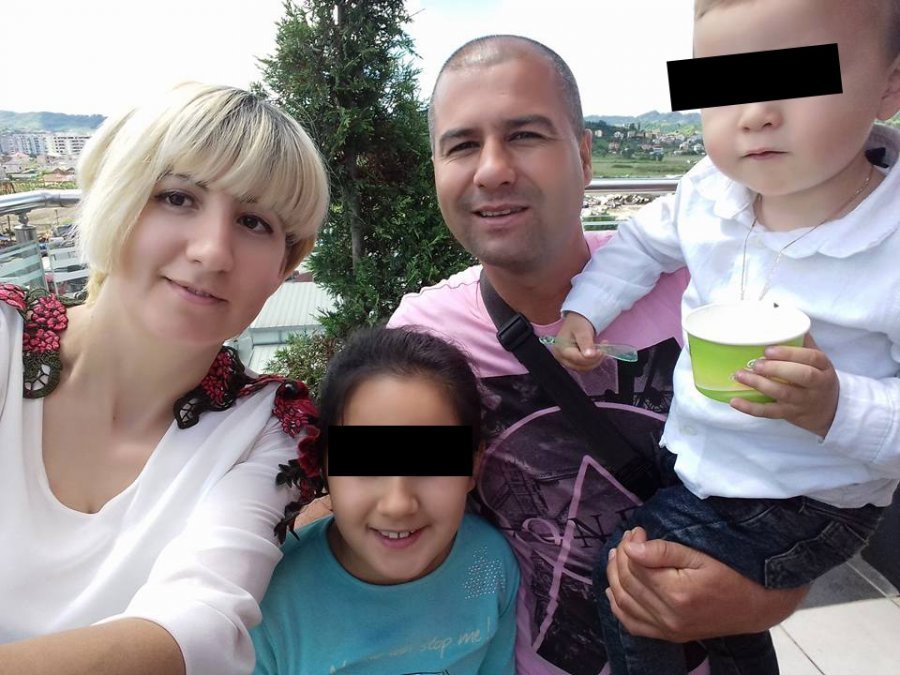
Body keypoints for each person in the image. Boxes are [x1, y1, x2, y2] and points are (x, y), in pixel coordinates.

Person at [388, 34, 808, 675]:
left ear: (584, 155)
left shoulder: (708, 291)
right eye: (462, 145)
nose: (492, 169)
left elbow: (815, 476)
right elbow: (396, 508)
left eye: (525, 135)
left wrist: (764, 599)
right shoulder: (423, 341)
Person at [553, 0, 900, 672]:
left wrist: (837, 405)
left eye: (798, 76)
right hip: (705, 466)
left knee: (632, 573)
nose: (755, 113)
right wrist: (584, 311)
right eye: (723, 84)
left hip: (810, 495)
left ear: (889, 84)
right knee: (717, 616)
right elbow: (640, 244)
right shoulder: (709, 191)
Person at [0, 82, 329, 675]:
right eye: (178, 198)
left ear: (284, 268)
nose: (212, 252)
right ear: (114, 198)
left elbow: (197, 628)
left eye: (254, 222)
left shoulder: (270, 431)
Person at [251, 327, 519, 674]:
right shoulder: (268, 599)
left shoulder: (490, 565)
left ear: (473, 465)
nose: (398, 504)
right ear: (323, 466)